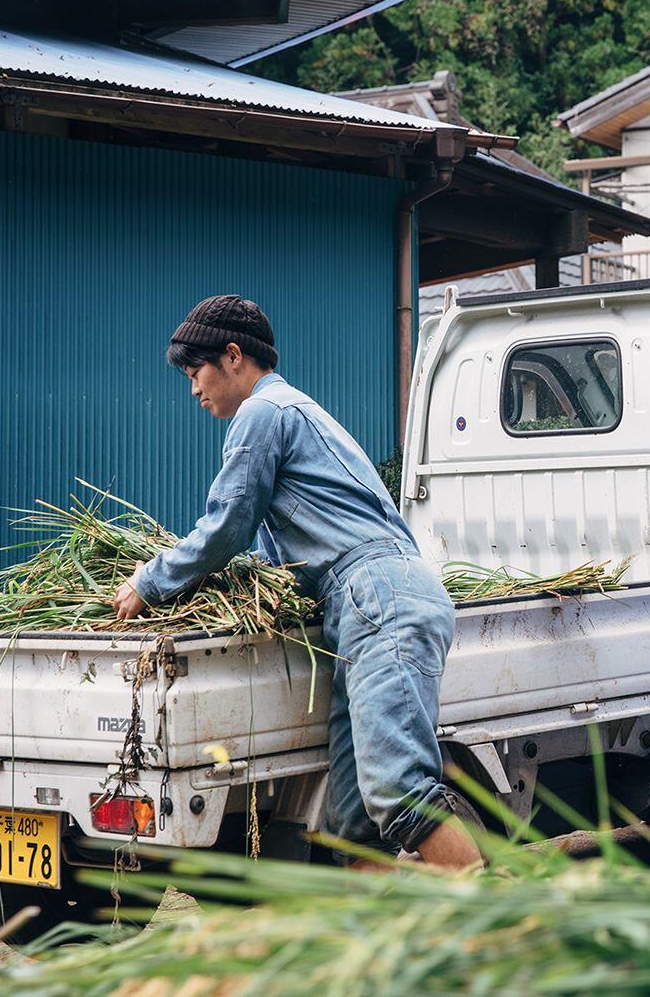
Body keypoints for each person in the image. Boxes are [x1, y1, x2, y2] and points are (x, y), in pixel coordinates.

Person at [108, 295, 479, 871]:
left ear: (233, 356)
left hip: (377, 596)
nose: (193, 390)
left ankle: (493, 926)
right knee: (353, 821)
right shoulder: (290, 413)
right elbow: (265, 549)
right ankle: (376, 950)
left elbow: (227, 526)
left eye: (195, 372)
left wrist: (149, 582)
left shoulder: (263, 414)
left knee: (399, 789)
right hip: (362, 606)